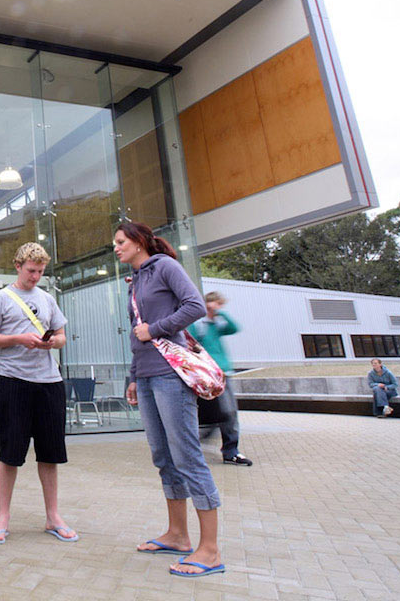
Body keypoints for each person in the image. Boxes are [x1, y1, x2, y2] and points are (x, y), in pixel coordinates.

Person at [115, 221, 225, 578]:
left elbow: (194, 306)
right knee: (164, 457)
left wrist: (156, 329)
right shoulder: (134, 282)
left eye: (120, 242)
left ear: (138, 242)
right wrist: (133, 377)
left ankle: (209, 550)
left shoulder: (164, 266)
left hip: (171, 376)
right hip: (147, 377)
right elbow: (137, 335)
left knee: (187, 457)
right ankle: (178, 535)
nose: (116, 248)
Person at [0, 242, 75, 546]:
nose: (35, 277)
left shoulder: (47, 299)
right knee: (10, 452)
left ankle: (53, 516)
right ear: (18, 266)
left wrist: (52, 343)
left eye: (41, 272)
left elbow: (61, 336)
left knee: (50, 452)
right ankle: (3, 517)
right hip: (13, 381)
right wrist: (19, 338)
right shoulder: (0, 299)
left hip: (49, 381)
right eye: (31, 271)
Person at [187, 292, 252, 466]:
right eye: (216, 304)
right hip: (208, 375)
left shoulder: (216, 324)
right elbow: (191, 345)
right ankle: (212, 441)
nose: (217, 307)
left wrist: (220, 314)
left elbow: (234, 328)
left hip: (224, 372)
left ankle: (230, 450)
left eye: (220, 305)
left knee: (228, 412)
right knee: (222, 412)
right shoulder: (198, 325)